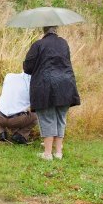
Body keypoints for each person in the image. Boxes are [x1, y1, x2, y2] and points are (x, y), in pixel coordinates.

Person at [23, 26, 80, 160]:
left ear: (44, 30)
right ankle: (58, 152)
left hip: (45, 84)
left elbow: (27, 67)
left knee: (47, 117)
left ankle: (47, 153)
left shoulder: (38, 44)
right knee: (61, 118)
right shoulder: (64, 43)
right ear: (56, 30)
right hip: (66, 83)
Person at [0, 72, 38, 144]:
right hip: (16, 120)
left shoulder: (9, 76)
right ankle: (21, 135)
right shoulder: (34, 84)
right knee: (37, 114)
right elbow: (34, 105)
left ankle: (2, 132)